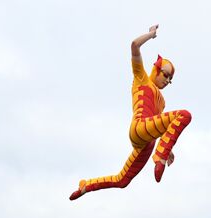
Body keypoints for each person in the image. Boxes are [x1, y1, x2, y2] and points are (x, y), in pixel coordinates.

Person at [70, 24, 192, 199]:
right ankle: (159, 157)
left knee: (123, 180)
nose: (167, 81)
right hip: (139, 129)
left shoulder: (162, 101)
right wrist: (151, 35)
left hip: (147, 142)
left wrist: (168, 148)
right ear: (156, 69)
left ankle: (85, 186)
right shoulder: (141, 78)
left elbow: (159, 127)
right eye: (165, 75)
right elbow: (134, 45)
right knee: (184, 115)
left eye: (170, 79)